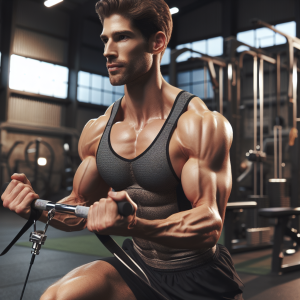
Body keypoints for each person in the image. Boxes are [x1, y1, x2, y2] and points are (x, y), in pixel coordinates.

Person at [1, 0, 244, 299]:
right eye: (105, 39)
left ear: (157, 42)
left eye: (122, 37)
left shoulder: (199, 124)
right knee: (56, 296)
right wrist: (37, 208)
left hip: (198, 273)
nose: (107, 50)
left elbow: (209, 224)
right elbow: (79, 206)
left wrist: (135, 225)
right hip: (137, 264)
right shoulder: (97, 130)